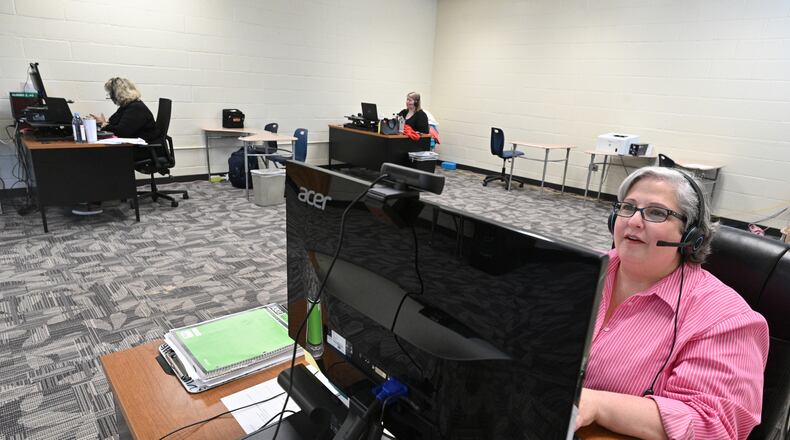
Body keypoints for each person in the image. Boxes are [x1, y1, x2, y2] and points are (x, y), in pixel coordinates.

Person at [576, 166, 769, 439]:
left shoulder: (726, 318)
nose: (633, 221)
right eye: (627, 207)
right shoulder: (575, 268)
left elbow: (713, 424)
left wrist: (596, 404)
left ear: (690, 236)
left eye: (657, 212)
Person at [91, 77, 160, 160]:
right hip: (136, 147)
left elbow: (122, 132)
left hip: (145, 150)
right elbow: (113, 122)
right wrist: (104, 123)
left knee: (103, 155)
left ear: (117, 94)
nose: (110, 97)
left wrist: (104, 124)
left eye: (110, 94)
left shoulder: (136, 108)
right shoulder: (127, 106)